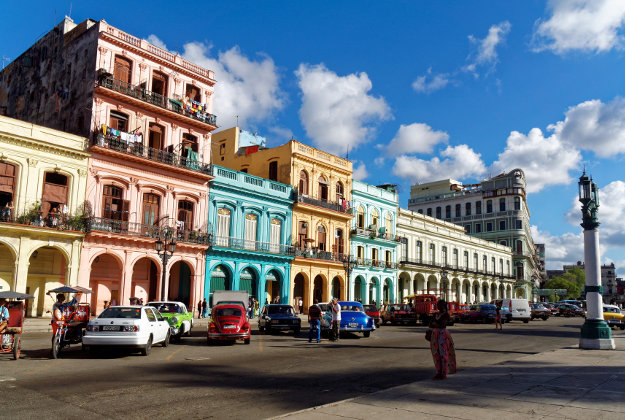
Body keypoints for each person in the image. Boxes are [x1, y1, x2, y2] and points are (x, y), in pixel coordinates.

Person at [428, 299, 457, 380]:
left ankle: (443, 372)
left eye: (439, 304)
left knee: (443, 353)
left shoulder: (446, 315)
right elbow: (430, 324)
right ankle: (438, 371)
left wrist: (435, 324)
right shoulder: (436, 314)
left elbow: (442, 324)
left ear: (443, 306)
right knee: (436, 353)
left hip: (442, 335)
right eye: (437, 304)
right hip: (435, 335)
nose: (438, 306)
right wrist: (435, 324)